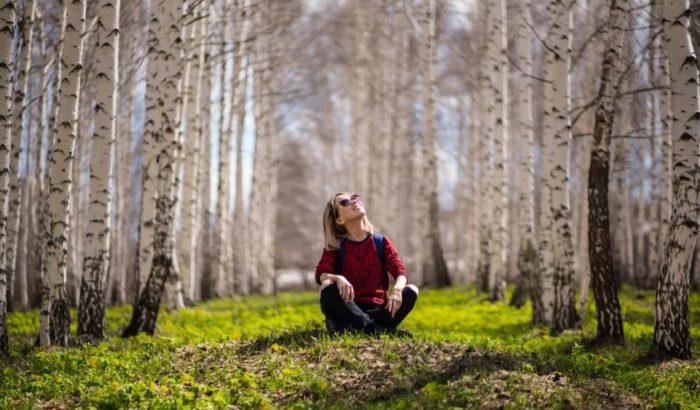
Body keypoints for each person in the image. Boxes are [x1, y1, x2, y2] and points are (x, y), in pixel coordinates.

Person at [315, 192, 419, 336]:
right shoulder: (335, 246)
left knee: (411, 290)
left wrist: (396, 290)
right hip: (349, 308)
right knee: (327, 286)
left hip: (379, 310)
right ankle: (380, 330)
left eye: (354, 198)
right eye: (345, 202)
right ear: (339, 219)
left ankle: (365, 328)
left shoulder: (380, 242)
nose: (353, 201)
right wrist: (338, 278)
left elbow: (400, 271)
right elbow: (321, 274)